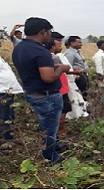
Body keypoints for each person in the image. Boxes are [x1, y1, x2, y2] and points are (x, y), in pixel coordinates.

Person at [12, 17, 71, 164]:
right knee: (49, 128)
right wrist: (61, 69)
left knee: (50, 124)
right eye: (50, 32)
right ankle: (51, 157)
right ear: (43, 32)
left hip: (33, 92)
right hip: (47, 95)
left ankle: (56, 146)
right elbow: (49, 77)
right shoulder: (40, 51)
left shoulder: (20, 48)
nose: (50, 35)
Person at [52, 32, 88, 120]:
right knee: (71, 100)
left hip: (73, 79)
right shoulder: (62, 55)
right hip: (67, 81)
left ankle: (78, 115)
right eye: (58, 41)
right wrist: (74, 73)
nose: (60, 44)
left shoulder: (60, 55)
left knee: (76, 98)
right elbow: (66, 69)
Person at [0, 40, 23, 142]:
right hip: (3, 92)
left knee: (8, 115)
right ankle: (5, 140)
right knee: (4, 116)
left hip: (7, 91)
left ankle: (7, 137)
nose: (1, 42)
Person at [64, 36, 89, 107]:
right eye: (79, 42)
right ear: (72, 43)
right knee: (80, 94)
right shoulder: (70, 54)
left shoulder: (77, 52)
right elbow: (68, 67)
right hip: (77, 77)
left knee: (85, 93)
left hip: (83, 75)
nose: (81, 44)